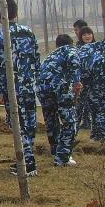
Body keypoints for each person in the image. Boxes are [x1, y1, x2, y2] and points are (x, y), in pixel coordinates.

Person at [0, 0, 41, 176]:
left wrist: (0, 91)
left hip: (13, 90)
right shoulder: (29, 32)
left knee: (19, 125)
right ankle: (27, 159)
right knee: (30, 124)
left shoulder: (1, 36)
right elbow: (36, 60)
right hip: (29, 86)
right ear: (16, 12)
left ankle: (28, 165)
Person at [37, 34, 82, 167]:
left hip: (42, 89)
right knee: (69, 122)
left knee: (51, 121)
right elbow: (74, 61)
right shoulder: (70, 50)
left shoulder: (51, 56)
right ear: (71, 43)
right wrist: (77, 82)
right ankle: (62, 158)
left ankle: (55, 151)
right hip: (60, 88)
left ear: (57, 45)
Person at [75, 23, 94, 131]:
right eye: (84, 35)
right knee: (79, 105)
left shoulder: (97, 47)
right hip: (82, 81)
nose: (87, 36)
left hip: (95, 81)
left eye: (89, 34)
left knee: (93, 104)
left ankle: (90, 125)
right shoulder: (78, 49)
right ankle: (75, 127)